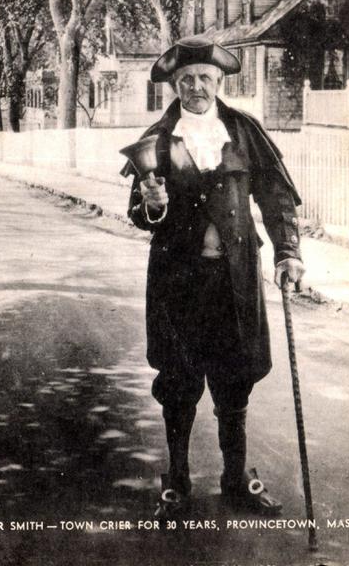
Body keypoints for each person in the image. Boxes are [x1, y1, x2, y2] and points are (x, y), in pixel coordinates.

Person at [120, 35, 305, 519]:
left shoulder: (243, 132)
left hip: (234, 281)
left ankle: (236, 478)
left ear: (219, 81)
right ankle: (176, 481)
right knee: (179, 382)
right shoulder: (157, 140)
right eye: (186, 80)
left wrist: (288, 253)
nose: (195, 87)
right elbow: (138, 212)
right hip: (177, 284)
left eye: (204, 77)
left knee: (234, 381)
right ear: (175, 86)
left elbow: (277, 198)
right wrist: (152, 206)